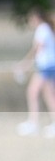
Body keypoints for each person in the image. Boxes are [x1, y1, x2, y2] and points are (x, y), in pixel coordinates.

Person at [15, 8, 55, 137]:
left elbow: (37, 49)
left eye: (31, 19)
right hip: (49, 65)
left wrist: (25, 65)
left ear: (37, 18)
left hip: (45, 66)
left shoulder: (42, 30)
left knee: (32, 92)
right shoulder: (47, 28)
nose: (30, 21)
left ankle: (33, 123)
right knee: (49, 95)